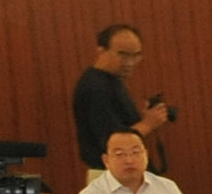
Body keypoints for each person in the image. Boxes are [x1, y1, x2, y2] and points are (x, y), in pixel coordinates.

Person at [71, 21, 169, 173]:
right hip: (111, 174)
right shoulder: (96, 87)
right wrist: (148, 123)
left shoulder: (109, 81)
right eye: (123, 55)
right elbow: (112, 140)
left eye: (136, 55)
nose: (130, 63)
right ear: (101, 51)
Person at [78, 130, 192, 194]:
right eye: (119, 154)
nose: (129, 160)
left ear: (146, 154)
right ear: (106, 160)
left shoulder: (167, 187)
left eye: (136, 152)